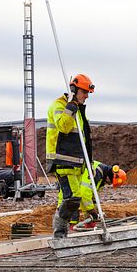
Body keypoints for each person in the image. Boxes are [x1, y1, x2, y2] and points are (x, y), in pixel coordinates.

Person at [46, 74, 95, 238]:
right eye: (85, 92)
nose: (87, 96)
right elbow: (63, 127)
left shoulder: (79, 111)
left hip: (76, 163)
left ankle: (61, 233)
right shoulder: (60, 105)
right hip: (63, 161)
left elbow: (85, 137)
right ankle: (59, 232)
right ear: (74, 89)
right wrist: (72, 106)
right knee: (73, 198)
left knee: (65, 199)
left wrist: (89, 163)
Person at [62, 161, 127, 230]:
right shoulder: (97, 173)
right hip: (68, 179)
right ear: (110, 176)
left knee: (77, 203)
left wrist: (90, 214)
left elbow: (91, 197)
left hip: (75, 184)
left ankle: (81, 228)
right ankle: (70, 232)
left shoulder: (102, 177)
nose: (108, 184)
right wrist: (91, 211)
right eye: (110, 182)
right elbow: (84, 194)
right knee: (73, 204)